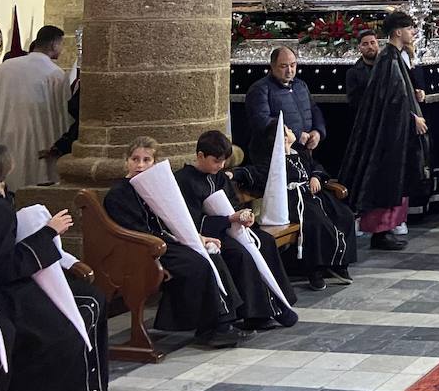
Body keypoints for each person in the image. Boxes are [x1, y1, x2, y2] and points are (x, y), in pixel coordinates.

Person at [0, 141, 108, 391]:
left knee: (88, 300)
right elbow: (5, 266)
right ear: (9, 169)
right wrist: (48, 233)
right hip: (0, 292)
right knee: (63, 325)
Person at [103, 137, 243, 347]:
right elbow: (133, 231)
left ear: (154, 163)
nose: (140, 165)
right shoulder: (119, 193)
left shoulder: (152, 188)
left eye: (147, 160)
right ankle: (209, 327)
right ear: (127, 161)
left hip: (164, 242)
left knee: (211, 253)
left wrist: (199, 238)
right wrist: (164, 246)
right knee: (198, 264)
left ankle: (223, 321)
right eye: (135, 159)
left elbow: (172, 220)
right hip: (142, 249)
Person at [174, 130, 298, 331]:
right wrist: (227, 219)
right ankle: (255, 314)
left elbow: (232, 204)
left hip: (231, 228)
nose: (221, 166)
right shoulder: (184, 180)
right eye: (216, 161)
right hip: (210, 234)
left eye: (224, 161)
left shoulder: (220, 176)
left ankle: (278, 303)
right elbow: (191, 220)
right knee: (240, 254)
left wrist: (244, 216)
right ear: (200, 156)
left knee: (265, 241)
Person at [338, 11, 431, 251]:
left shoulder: (394, 57)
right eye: (410, 28)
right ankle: (380, 232)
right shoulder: (388, 59)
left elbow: (401, 93)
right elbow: (392, 100)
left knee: (396, 180)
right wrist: (413, 117)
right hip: (388, 135)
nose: (413, 32)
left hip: (396, 133)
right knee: (385, 180)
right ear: (398, 31)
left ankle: (389, 228)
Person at [235, 117, 357, 291]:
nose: (292, 131)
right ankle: (315, 269)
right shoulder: (273, 161)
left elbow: (316, 166)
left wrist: (315, 176)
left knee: (344, 215)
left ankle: (339, 263)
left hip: (314, 195)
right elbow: (253, 172)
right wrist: (234, 174)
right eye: (288, 130)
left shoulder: (299, 152)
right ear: (283, 138)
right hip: (293, 200)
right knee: (315, 223)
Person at [0, 26, 70, 189]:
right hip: (39, 151)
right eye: (61, 44)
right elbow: (63, 115)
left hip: (3, 145)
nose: (62, 49)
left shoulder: (3, 69)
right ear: (53, 45)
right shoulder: (55, 74)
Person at [244, 47, 326, 168]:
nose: (290, 70)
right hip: (272, 156)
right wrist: (297, 135)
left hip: (303, 153)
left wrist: (318, 132)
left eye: (293, 65)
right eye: (284, 66)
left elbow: (313, 109)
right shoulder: (260, 89)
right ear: (272, 66)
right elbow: (262, 121)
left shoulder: (300, 85)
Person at [344, 29, 380, 111]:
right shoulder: (353, 73)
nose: (370, 47)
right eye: (365, 44)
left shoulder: (388, 66)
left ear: (377, 44)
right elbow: (354, 102)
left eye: (372, 42)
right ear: (359, 47)